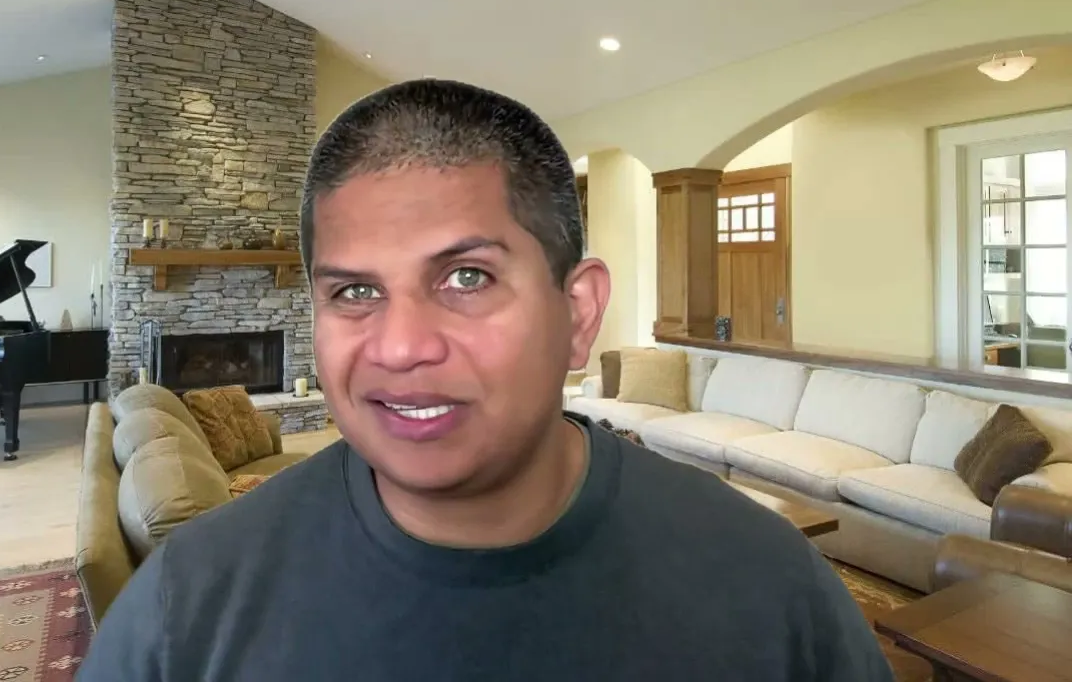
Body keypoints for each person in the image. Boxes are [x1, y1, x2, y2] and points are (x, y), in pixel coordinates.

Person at [77, 79, 894, 681]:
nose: (401, 347)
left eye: (466, 278)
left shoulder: (768, 582)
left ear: (578, 313)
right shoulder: (188, 609)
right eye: (354, 292)